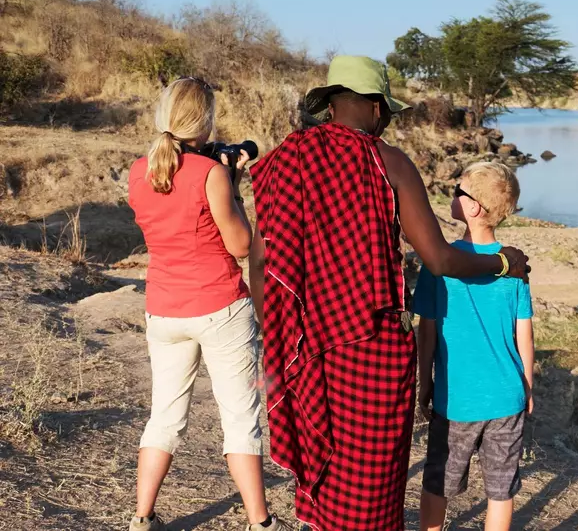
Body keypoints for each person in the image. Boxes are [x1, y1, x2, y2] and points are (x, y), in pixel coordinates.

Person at [248, 55, 530, 531]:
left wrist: (283, 333)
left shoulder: (287, 156)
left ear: (332, 104)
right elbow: (439, 259)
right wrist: (504, 263)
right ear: (378, 108)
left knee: (325, 465)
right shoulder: (389, 161)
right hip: (370, 350)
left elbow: (260, 260)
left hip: (308, 343)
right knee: (371, 481)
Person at [127, 77, 288, 531]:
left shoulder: (139, 172)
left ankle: (142, 517)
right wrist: (234, 186)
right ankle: (261, 522)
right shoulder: (211, 174)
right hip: (219, 305)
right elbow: (240, 244)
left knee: (164, 417)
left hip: (164, 307)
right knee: (240, 420)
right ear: (207, 120)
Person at [414, 162, 535, 531]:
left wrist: (424, 384)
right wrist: (528, 386)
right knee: (501, 492)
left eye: (458, 189)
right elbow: (525, 335)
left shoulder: (440, 264)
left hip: (457, 402)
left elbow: (427, 333)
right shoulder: (515, 267)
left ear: (472, 208)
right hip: (507, 398)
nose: (453, 194)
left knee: (438, 485)